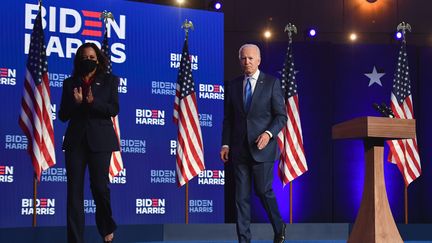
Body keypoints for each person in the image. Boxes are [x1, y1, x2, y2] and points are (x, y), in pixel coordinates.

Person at [221, 44, 287, 243]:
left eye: (250, 58)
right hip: (239, 150)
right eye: (243, 58)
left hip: (262, 149)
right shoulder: (232, 85)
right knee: (240, 198)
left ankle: (279, 226)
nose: (246, 62)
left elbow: (281, 117)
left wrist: (268, 134)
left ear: (258, 60)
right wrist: (225, 145)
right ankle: (244, 240)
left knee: (263, 191)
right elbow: (229, 119)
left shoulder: (272, 83)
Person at [59, 42, 119, 243]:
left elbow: (113, 109)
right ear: (78, 60)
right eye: (84, 57)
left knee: (100, 188)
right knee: (74, 193)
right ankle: (75, 240)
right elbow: (62, 115)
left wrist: (94, 103)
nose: (88, 60)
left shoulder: (110, 80)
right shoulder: (69, 83)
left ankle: (106, 227)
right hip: (76, 142)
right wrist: (75, 104)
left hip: (100, 141)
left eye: (92, 57)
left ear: (98, 60)